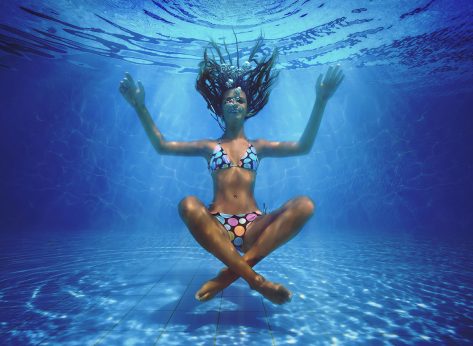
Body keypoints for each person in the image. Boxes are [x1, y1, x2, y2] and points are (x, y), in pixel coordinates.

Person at [119, 36, 344, 305]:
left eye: (240, 99)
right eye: (229, 99)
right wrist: (139, 106)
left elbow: (303, 146)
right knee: (188, 205)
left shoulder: (258, 147)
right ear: (221, 107)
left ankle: (226, 277)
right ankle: (256, 281)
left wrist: (321, 100)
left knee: (305, 205)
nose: (235, 102)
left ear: (248, 108)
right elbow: (163, 146)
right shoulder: (209, 146)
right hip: (218, 227)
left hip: (254, 227)